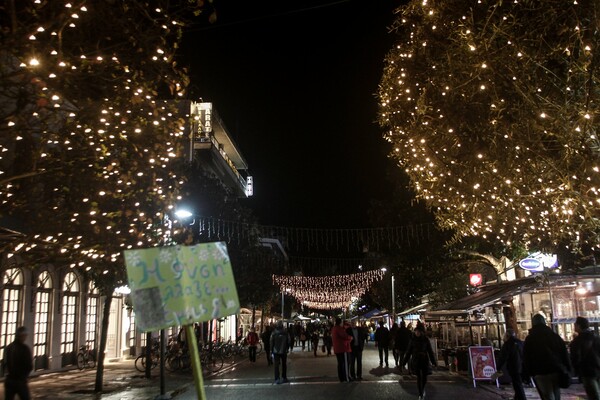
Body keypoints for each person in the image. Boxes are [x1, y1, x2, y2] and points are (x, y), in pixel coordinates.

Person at [523, 313, 571, 400]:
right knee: (556, 393)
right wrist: (567, 368)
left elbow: (526, 357)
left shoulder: (530, 338)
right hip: (556, 369)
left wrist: (527, 373)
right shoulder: (554, 336)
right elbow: (564, 353)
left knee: (547, 394)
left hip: (540, 371)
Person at [402, 324, 436, 400]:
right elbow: (408, 352)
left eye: (418, 331)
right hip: (416, 360)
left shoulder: (425, 339)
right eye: (415, 331)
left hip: (424, 360)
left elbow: (430, 351)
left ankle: (423, 388)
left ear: (421, 332)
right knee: (419, 377)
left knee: (424, 377)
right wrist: (404, 362)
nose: (416, 333)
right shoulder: (412, 339)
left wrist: (433, 362)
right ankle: (420, 393)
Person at [570, 316, 600, 399]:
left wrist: (576, 370)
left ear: (579, 326)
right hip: (597, 369)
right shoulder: (596, 337)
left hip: (587, 372)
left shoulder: (577, 342)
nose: (574, 327)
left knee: (594, 395)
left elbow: (575, 358)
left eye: (575, 325)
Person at [495, 328, 526, 400]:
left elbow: (503, 357)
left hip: (513, 366)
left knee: (517, 383)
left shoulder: (508, 344)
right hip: (521, 365)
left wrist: (498, 367)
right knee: (517, 383)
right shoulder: (520, 342)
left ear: (507, 335)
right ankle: (517, 397)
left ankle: (522, 398)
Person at [3, 326, 33, 400]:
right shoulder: (24, 348)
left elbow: (4, 364)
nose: (25, 337)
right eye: (25, 335)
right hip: (20, 381)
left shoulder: (8, 347)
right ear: (22, 335)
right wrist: (25, 376)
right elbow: (29, 366)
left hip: (9, 380)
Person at [331, 317, 353, 382]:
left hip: (338, 348)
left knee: (340, 363)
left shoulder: (335, 328)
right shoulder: (338, 329)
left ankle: (341, 377)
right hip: (343, 348)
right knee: (345, 363)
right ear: (340, 323)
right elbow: (345, 336)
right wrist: (350, 338)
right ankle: (346, 377)